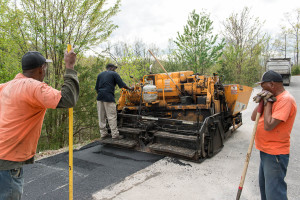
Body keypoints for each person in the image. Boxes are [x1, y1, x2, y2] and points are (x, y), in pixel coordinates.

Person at [0, 50, 79, 200]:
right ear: (41, 68)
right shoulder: (35, 87)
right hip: (7, 159)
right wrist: (69, 66)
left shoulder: (6, 86)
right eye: (45, 68)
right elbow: (68, 98)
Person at [251, 70, 297, 200]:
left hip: (275, 154)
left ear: (271, 84)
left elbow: (269, 125)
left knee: (274, 194)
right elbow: (253, 117)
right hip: (265, 151)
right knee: (265, 191)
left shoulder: (285, 100)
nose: (261, 88)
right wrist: (262, 101)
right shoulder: (270, 98)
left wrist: (269, 103)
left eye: (263, 85)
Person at [95, 63, 133, 140]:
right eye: (114, 68)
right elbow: (122, 85)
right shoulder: (114, 74)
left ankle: (103, 134)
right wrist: (130, 88)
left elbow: (96, 88)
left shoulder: (100, 74)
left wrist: (101, 93)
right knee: (111, 116)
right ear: (111, 68)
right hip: (108, 97)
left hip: (99, 97)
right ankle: (115, 135)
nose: (115, 70)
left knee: (101, 116)